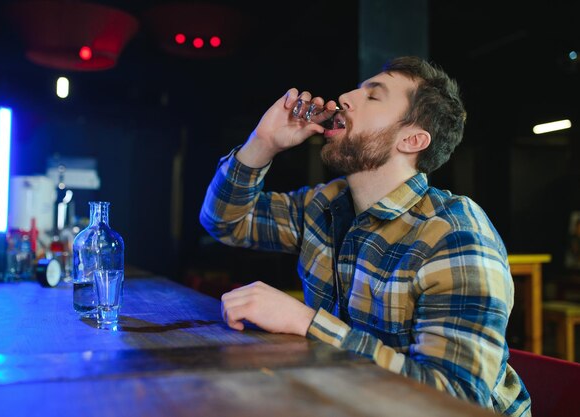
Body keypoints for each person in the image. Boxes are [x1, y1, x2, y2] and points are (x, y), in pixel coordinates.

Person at [200, 56, 530, 416]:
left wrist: (305, 323)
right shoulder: (325, 205)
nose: (345, 97)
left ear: (412, 139)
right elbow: (226, 221)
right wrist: (263, 143)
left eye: (373, 96)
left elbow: (455, 401)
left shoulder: (455, 233)